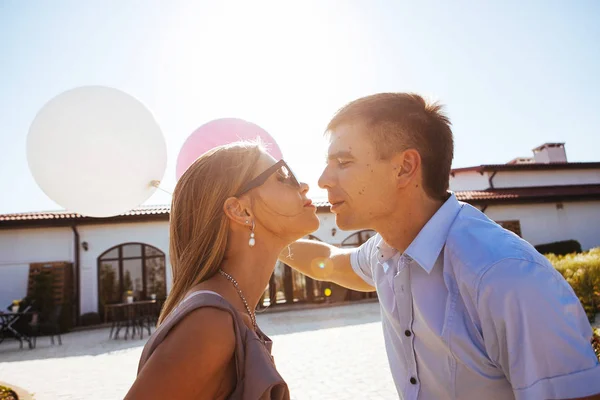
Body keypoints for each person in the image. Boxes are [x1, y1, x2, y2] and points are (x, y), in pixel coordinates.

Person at [280, 93, 600, 399]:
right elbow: (326, 261)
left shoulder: (504, 275)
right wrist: (270, 237)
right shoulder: (385, 251)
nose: (323, 179)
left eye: (343, 161)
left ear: (405, 167)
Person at [125, 141, 319, 399]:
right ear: (239, 210)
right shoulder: (209, 323)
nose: (303, 185)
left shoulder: (229, 308)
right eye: (282, 176)